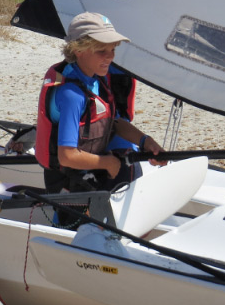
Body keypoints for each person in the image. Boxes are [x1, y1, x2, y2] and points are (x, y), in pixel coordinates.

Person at [35, 12, 164, 194]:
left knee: (132, 170)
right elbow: (67, 156)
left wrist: (145, 142)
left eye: (112, 50)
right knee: (121, 172)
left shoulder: (96, 78)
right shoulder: (72, 94)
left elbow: (114, 122)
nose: (109, 57)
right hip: (69, 179)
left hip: (91, 164)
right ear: (78, 50)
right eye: (101, 51)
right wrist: (108, 164)